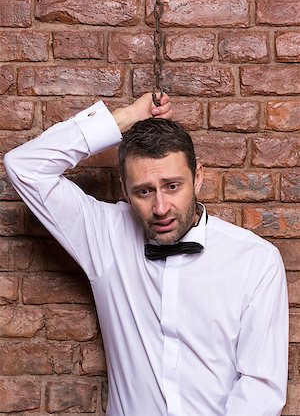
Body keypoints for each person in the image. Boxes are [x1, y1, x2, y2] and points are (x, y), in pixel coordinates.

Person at [4, 93, 288, 416]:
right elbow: (24, 167)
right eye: (144, 191)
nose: (161, 208)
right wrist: (123, 118)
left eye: (172, 186)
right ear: (125, 191)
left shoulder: (256, 262)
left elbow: (260, 390)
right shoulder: (106, 237)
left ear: (198, 179)